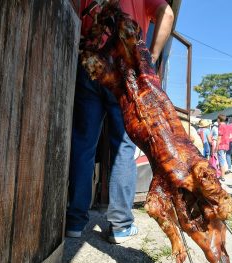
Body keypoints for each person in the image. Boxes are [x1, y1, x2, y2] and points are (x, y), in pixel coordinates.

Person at [66, 0, 174, 242]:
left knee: (83, 143)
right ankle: (121, 225)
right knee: (123, 147)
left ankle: (73, 221)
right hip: (127, 63)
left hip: (90, 63)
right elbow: (166, 13)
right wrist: (152, 58)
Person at [216, 114, 230, 180]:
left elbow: (219, 137)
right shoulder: (227, 126)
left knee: (221, 161)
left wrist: (216, 146)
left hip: (221, 145)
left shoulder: (221, 126)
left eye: (217, 119)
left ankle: (222, 176)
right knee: (223, 160)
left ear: (219, 119)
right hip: (226, 145)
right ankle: (222, 175)